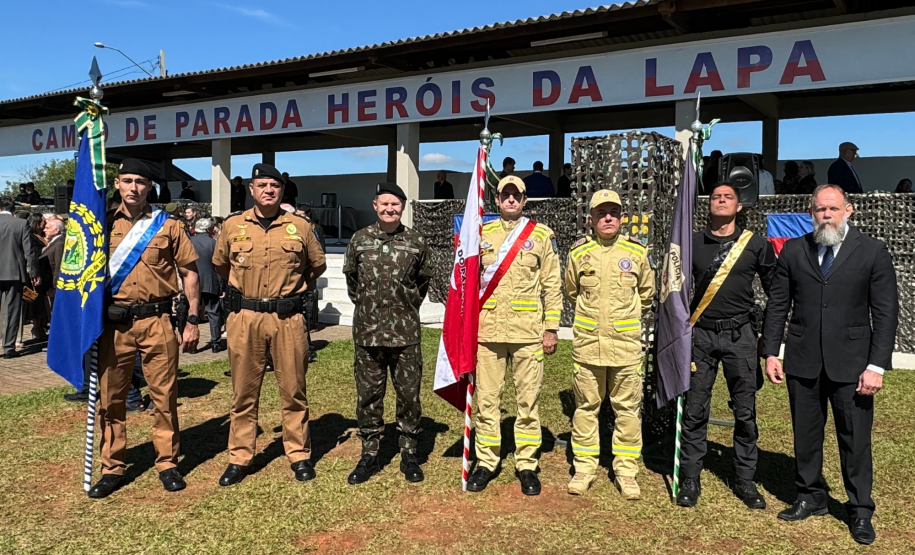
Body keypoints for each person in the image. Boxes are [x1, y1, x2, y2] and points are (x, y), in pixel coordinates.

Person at [762, 184, 898, 546]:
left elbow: (885, 313)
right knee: (805, 435)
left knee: (855, 440)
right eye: (820, 209)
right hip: (803, 361)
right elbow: (778, 304)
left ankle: (860, 509)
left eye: (833, 209)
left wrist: (877, 366)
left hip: (853, 365)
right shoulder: (794, 250)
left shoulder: (872, 251)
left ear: (848, 210)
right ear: (812, 212)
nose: (826, 215)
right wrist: (771, 351)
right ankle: (810, 496)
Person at [87, 158, 201, 499]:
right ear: (117, 184)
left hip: (158, 320)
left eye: (140, 181)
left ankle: (167, 463)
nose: (134, 187)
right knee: (112, 399)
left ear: (149, 186)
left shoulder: (168, 225)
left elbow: (190, 273)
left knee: (164, 396)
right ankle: (112, 467)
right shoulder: (102, 223)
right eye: (127, 181)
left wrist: (192, 319)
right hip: (114, 324)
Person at [213, 163, 326, 487]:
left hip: (287, 319)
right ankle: (240, 457)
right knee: (243, 393)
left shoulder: (300, 226)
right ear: (252, 189)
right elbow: (221, 265)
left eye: (274, 186)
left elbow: (316, 265)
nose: (268, 190)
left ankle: (299, 454)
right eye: (262, 185)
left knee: (293, 391)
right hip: (245, 318)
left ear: (282, 190)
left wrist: (290, 289)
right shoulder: (233, 225)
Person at [676, 183, 776, 509]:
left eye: (728, 197)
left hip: (740, 336)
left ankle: (745, 479)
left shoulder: (756, 245)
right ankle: (691, 477)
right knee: (695, 410)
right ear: (709, 205)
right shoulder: (691, 243)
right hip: (700, 336)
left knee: (745, 412)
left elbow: (777, 292)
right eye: (716, 197)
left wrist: (769, 338)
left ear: (739, 206)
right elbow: (675, 291)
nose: (721, 200)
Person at [466, 175, 562, 496]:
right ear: (496, 199)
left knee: (527, 401)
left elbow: (552, 284)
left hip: (528, 333)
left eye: (516, 195)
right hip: (488, 332)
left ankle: (526, 464)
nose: (510, 200)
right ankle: (486, 461)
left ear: (524, 200)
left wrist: (551, 328)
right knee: (487, 401)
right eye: (505, 195)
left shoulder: (541, 235)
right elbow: (468, 282)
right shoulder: (481, 234)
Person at [564, 189, 655, 499]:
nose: (608, 218)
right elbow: (572, 291)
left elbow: (647, 294)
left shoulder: (637, 253)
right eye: (601, 213)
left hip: (625, 348)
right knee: (585, 410)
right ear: (591, 219)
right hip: (588, 346)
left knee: (627, 411)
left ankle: (626, 472)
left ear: (622, 218)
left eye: (613, 213)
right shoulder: (578, 253)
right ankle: (584, 468)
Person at [343, 183, 434, 485]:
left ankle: (409, 451)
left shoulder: (416, 241)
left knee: (408, 395)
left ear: (403, 207)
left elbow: (422, 283)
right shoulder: (359, 240)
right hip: (368, 333)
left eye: (395, 204)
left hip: (405, 334)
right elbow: (353, 283)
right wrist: (370, 308)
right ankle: (370, 452)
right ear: (375, 206)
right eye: (384, 204)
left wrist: (403, 307)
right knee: (368, 395)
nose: (389, 209)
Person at [0, 198, 39, 358]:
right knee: (13, 311)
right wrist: (34, 272)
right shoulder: (21, 224)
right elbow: (29, 251)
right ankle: (8, 347)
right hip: (14, 272)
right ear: (13, 209)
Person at [189, 218, 225, 353]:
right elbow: (218, 266)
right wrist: (221, 286)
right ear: (208, 229)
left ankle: (192, 345)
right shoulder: (213, 243)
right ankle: (215, 343)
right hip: (210, 282)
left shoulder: (189, 242)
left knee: (193, 312)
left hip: (192, 283)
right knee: (213, 312)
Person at [299, 205, 325, 363]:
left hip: (307, 274)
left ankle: (308, 343)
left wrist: (306, 278)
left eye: (301, 214)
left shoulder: (314, 228)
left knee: (309, 303)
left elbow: (320, 254)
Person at [26, 213, 49, 340]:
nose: (45, 223)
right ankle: (37, 327)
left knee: (43, 301)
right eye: (43, 221)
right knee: (37, 301)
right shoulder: (31, 237)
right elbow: (33, 255)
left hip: (46, 271)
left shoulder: (44, 235)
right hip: (38, 270)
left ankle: (42, 326)